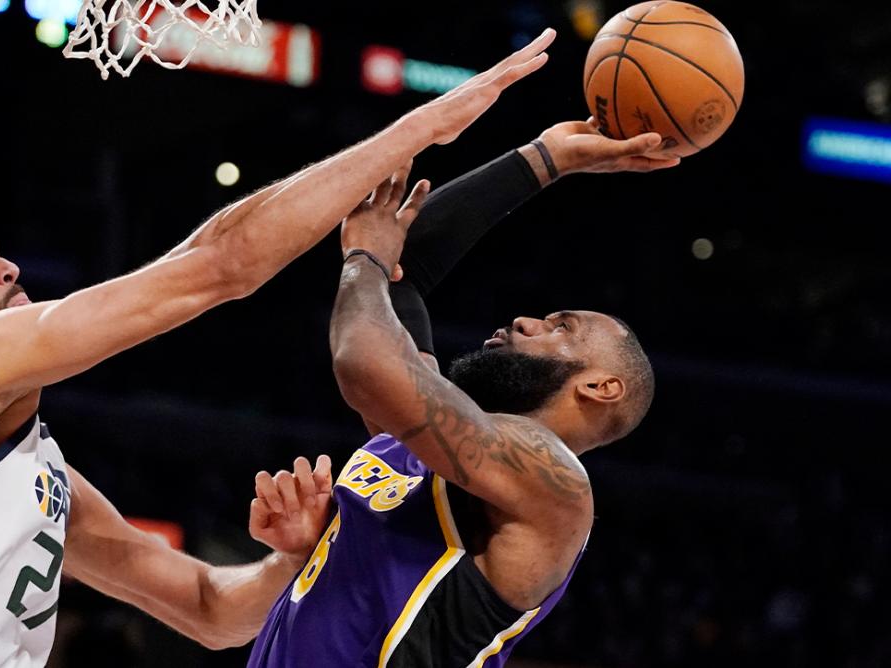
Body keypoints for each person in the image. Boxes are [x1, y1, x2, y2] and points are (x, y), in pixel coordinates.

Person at [0, 29, 563, 667]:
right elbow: (220, 267)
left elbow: (208, 610)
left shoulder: (41, 473)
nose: (6, 266)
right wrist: (420, 128)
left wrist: (290, 560)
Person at [247, 115, 679, 667]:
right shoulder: (423, 439)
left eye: (560, 327)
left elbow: (364, 356)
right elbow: (407, 267)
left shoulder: (556, 483)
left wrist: (364, 259)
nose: (525, 321)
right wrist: (544, 159)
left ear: (601, 387)